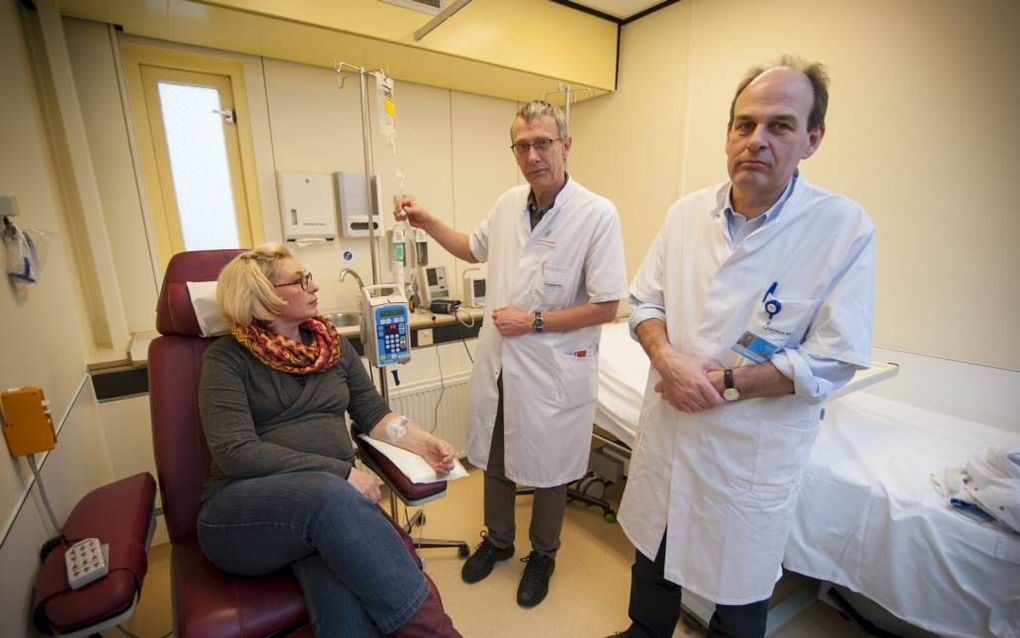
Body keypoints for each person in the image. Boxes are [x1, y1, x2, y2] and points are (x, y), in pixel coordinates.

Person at [608, 57, 876, 638]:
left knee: (741, 584)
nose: (756, 140)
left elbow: (837, 354)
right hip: (672, 429)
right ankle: (645, 632)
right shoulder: (685, 215)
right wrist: (666, 358)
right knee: (653, 552)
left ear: (812, 139)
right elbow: (645, 302)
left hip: (749, 450)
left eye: (779, 126)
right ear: (728, 132)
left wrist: (722, 384)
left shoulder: (843, 229)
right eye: (744, 124)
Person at [393, 100, 627, 607]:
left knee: (549, 467)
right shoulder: (506, 204)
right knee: (494, 457)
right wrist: (429, 221)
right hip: (502, 362)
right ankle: (498, 540)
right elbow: (472, 248)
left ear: (565, 145)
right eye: (521, 145)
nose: (532, 154)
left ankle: (543, 554)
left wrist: (534, 321)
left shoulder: (596, 214)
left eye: (542, 142)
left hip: (555, 369)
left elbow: (608, 306)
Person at [196, 244, 462, 638]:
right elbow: (236, 453)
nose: (314, 286)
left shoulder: (330, 346)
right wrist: (339, 472)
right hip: (244, 514)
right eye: (301, 280)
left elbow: (373, 413)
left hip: (324, 516)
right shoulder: (227, 360)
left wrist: (424, 443)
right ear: (264, 296)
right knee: (329, 495)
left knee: (347, 603)